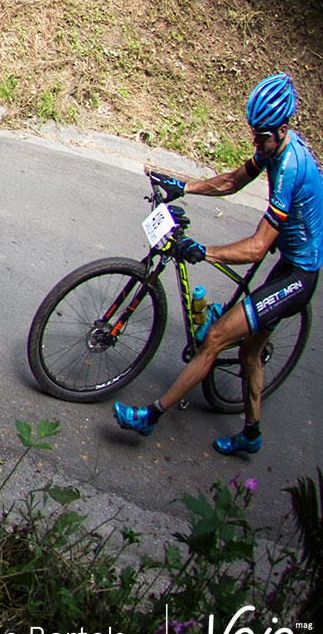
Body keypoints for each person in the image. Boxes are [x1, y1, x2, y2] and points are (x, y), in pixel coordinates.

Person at [114, 73, 320, 456]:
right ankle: (251, 435)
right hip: (286, 260)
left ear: (284, 129)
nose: (256, 143)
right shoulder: (273, 147)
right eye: (254, 135)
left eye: (262, 137)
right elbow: (232, 182)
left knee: (215, 338)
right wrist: (183, 187)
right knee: (248, 353)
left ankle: (151, 416)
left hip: (298, 274)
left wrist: (203, 250)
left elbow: (258, 246)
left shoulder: (291, 167)